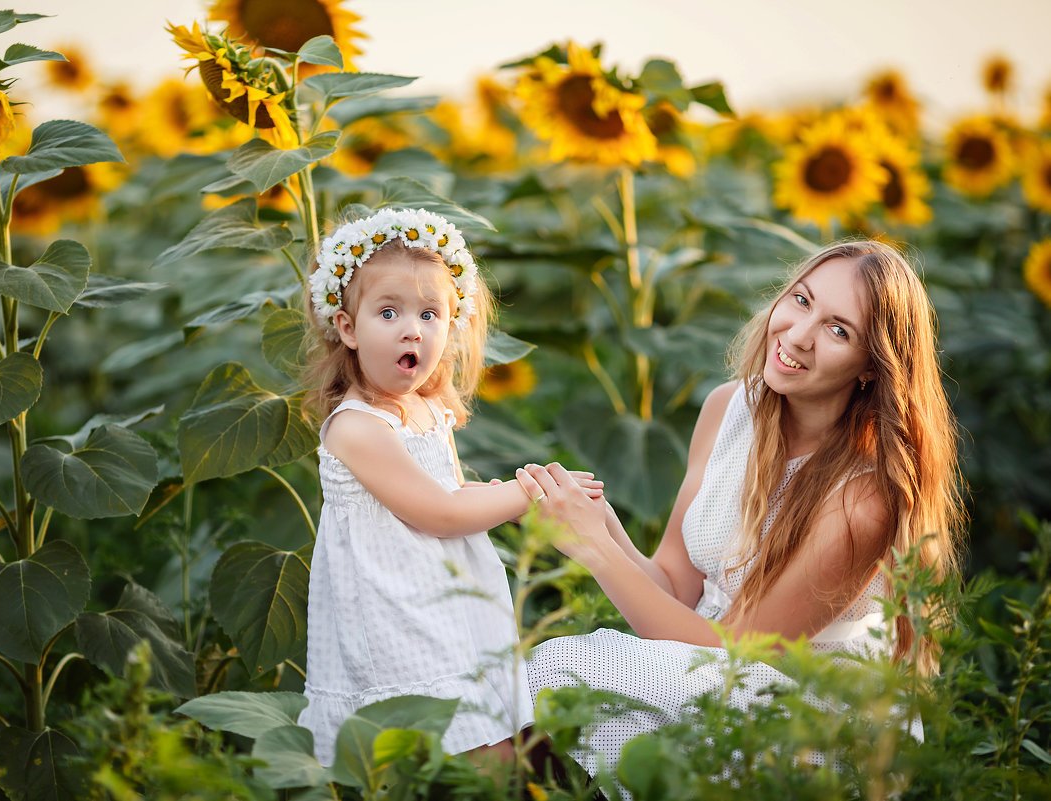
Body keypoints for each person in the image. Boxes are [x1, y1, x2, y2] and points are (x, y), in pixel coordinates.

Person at [514, 240, 965, 781]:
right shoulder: (728, 408)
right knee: (534, 690)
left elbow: (737, 655)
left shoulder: (863, 497)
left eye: (838, 329)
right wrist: (602, 522)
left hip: (807, 716)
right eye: (801, 301)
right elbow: (676, 586)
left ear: (872, 366)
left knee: (562, 673)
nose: (798, 336)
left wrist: (592, 551)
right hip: (707, 658)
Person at [296, 207, 603, 767]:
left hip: (446, 593)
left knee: (489, 725)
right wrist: (527, 491)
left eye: (430, 313)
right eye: (388, 312)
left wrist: (495, 496)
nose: (412, 328)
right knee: (444, 733)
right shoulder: (356, 425)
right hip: (395, 606)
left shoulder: (427, 410)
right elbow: (437, 513)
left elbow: (452, 493)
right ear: (347, 328)